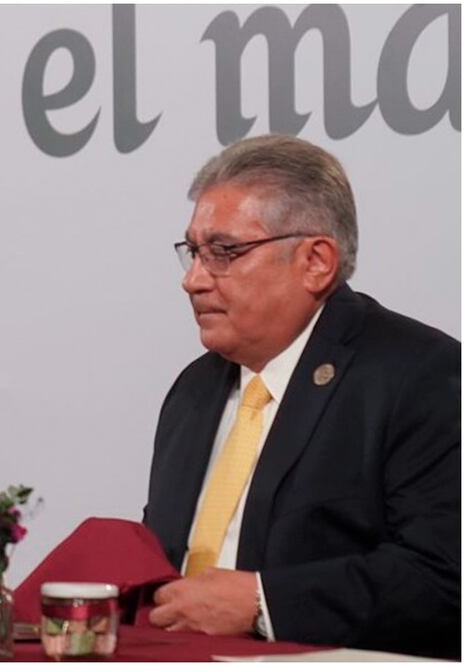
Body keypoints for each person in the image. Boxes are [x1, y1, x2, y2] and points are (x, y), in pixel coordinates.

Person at [143, 135, 460, 658]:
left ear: (316, 261)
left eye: (224, 251)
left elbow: (443, 575)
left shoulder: (419, 375)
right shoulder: (193, 390)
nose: (193, 280)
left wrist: (263, 604)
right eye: (193, 253)